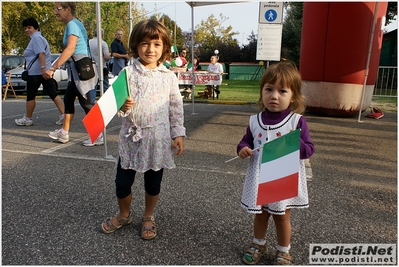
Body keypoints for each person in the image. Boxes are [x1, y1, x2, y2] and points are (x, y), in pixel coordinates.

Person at [100, 19, 186, 240]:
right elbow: (113, 104)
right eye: (145, 43)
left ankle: (148, 216)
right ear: (136, 45)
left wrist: (177, 133)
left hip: (157, 139)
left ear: (164, 48)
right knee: (122, 182)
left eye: (157, 44)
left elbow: (176, 108)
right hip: (131, 138)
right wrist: (122, 106)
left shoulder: (168, 77)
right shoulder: (127, 74)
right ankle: (124, 214)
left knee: (153, 183)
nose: (151, 49)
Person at [237, 61, 315, 265]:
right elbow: (247, 140)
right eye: (269, 89)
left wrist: (294, 141)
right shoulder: (255, 120)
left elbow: (309, 150)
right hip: (259, 175)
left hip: (282, 174)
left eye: (282, 91)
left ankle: (283, 250)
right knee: (261, 215)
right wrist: (242, 148)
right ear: (262, 91)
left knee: (281, 216)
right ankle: (258, 243)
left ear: (293, 96)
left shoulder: (296, 121)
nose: (274, 96)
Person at [46, 2, 98, 144]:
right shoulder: (74, 24)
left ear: (68, 9)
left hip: (80, 68)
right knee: (68, 99)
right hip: (77, 68)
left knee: (87, 103)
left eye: (58, 9)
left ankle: (98, 135)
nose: (55, 12)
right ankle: (64, 132)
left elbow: (70, 49)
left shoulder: (72, 25)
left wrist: (53, 68)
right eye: (55, 8)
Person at [15, 17, 65, 127]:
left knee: (31, 96)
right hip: (43, 71)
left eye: (29, 28)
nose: (27, 30)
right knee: (53, 93)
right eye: (25, 28)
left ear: (36, 28)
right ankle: (63, 115)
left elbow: (41, 54)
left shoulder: (36, 38)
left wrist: (42, 69)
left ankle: (28, 118)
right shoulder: (38, 38)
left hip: (37, 73)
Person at [88, 28, 110, 106]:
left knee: (92, 85)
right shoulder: (103, 43)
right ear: (102, 35)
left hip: (90, 67)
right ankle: (107, 101)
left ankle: (92, 101)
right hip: (101, 67)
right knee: (105, 85)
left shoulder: (88, 42)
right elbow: (107, 57)